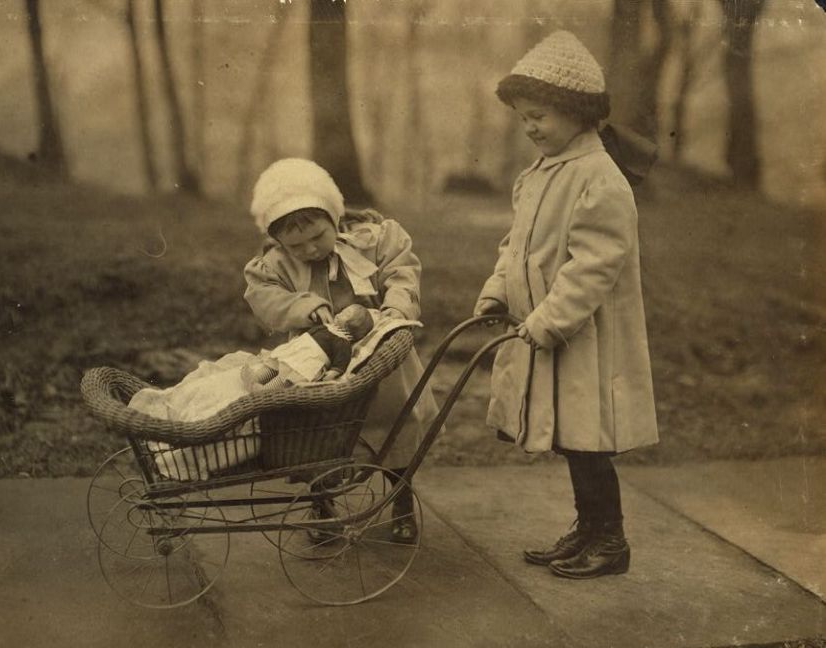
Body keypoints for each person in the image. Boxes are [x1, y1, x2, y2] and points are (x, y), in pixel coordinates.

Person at [472, 31, 659, 579]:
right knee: (572, 440)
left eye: (540, 116)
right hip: (547, 333)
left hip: (584, 338)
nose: (530, 127)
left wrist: (549, 320)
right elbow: (515, 246)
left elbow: (594, 265)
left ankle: (611, 539)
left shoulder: (600, 177)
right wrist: (498, 291)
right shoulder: (537, 174)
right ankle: (588, 528)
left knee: (589, 442)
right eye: (523, 118)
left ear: (577, 112)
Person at [244, 158, 439, 544]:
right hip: (318, 360)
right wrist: (302, 306)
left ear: (334, 217)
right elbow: (263, 296)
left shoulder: (372, 240)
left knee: (394, 426)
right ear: (279, 241)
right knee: (318, 432)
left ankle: (401, 499)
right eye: (296, 245)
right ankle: (322, 504)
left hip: (381, 355)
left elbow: (401, 273)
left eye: (318, 236)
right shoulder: (275, 264)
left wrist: (396, 308)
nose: (310, 249)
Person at [242, 303, 375, 392]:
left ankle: (265, 391)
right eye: (343, 311)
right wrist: (297, 340)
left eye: (346, 314)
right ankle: (256, 378)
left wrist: (333, 373)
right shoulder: (327, 327)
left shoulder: (343, 343)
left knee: (286, 376)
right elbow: (310, 333)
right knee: (276, 364)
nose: (340, 313)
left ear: (352, 325)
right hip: (297, 350)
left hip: (308, 361)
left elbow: (341, 363)